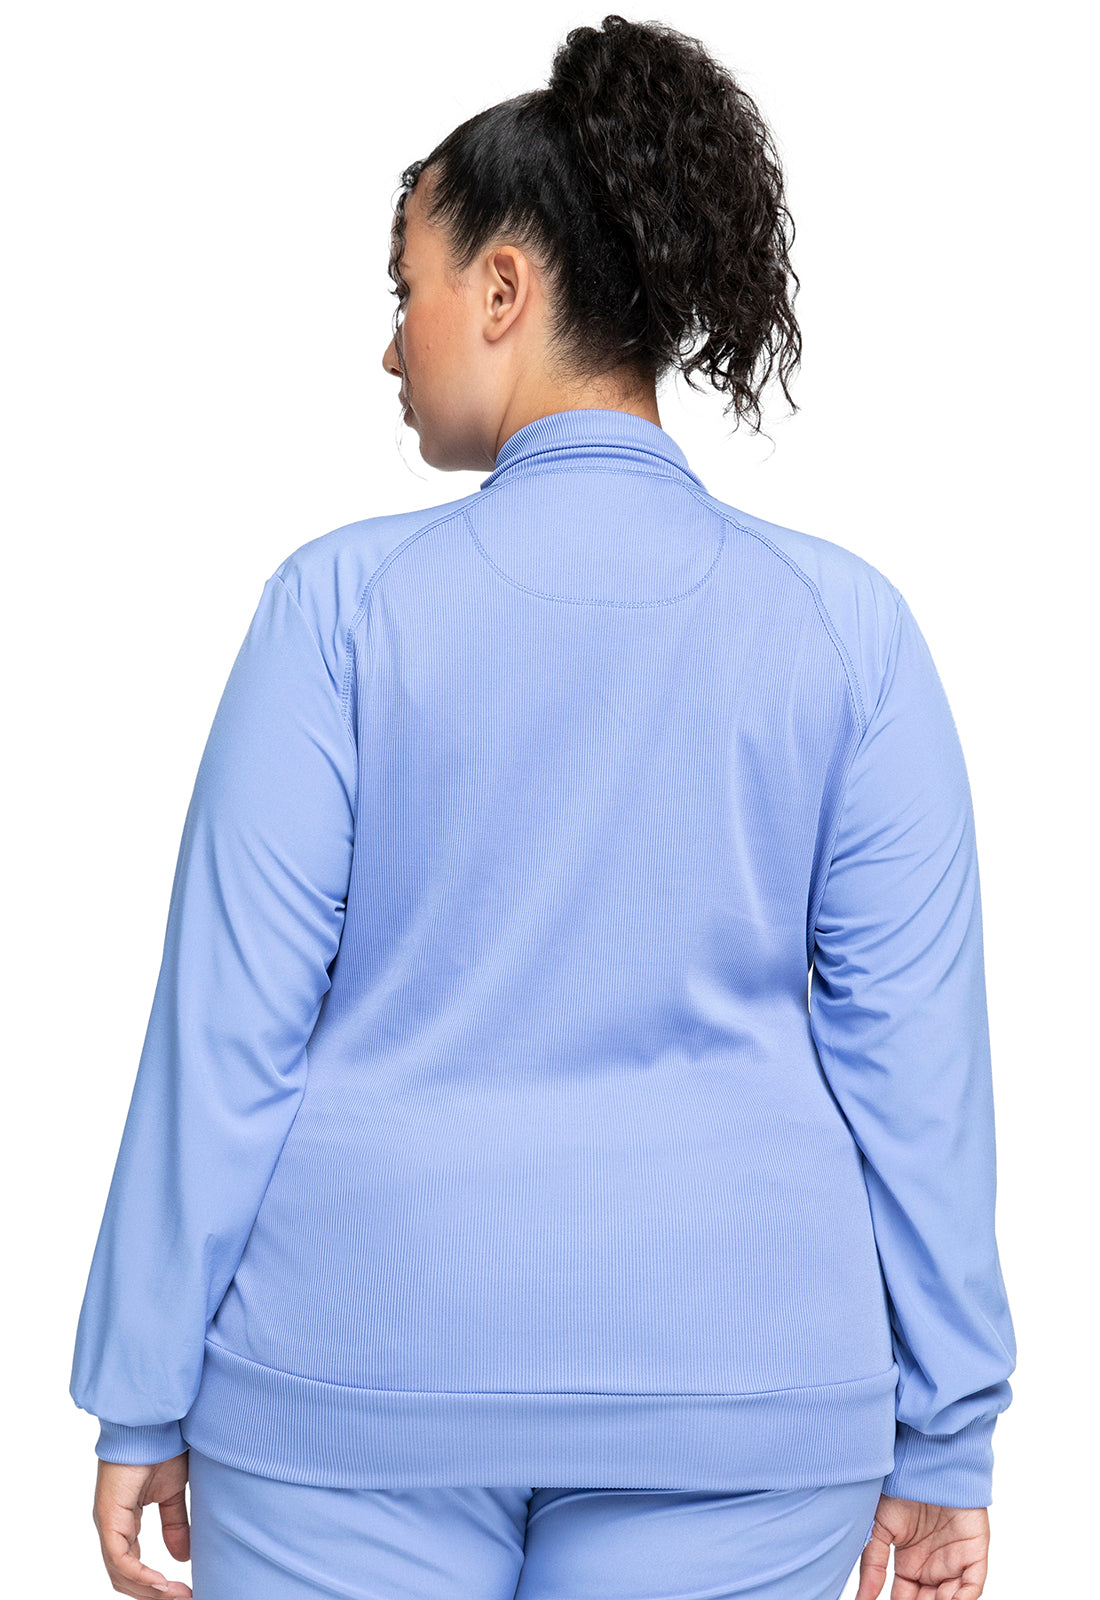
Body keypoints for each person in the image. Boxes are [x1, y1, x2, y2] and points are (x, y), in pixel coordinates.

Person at [70, 14, 1016, 1600]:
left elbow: (226, 1032)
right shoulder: (848, 630)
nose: (393, 348)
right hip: (745, 1395)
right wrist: (949, 1434)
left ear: (503, 289)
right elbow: (918, 1072)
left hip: (350, 1377)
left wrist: (142, 1387)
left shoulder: (337, 611)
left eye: (407, 292)